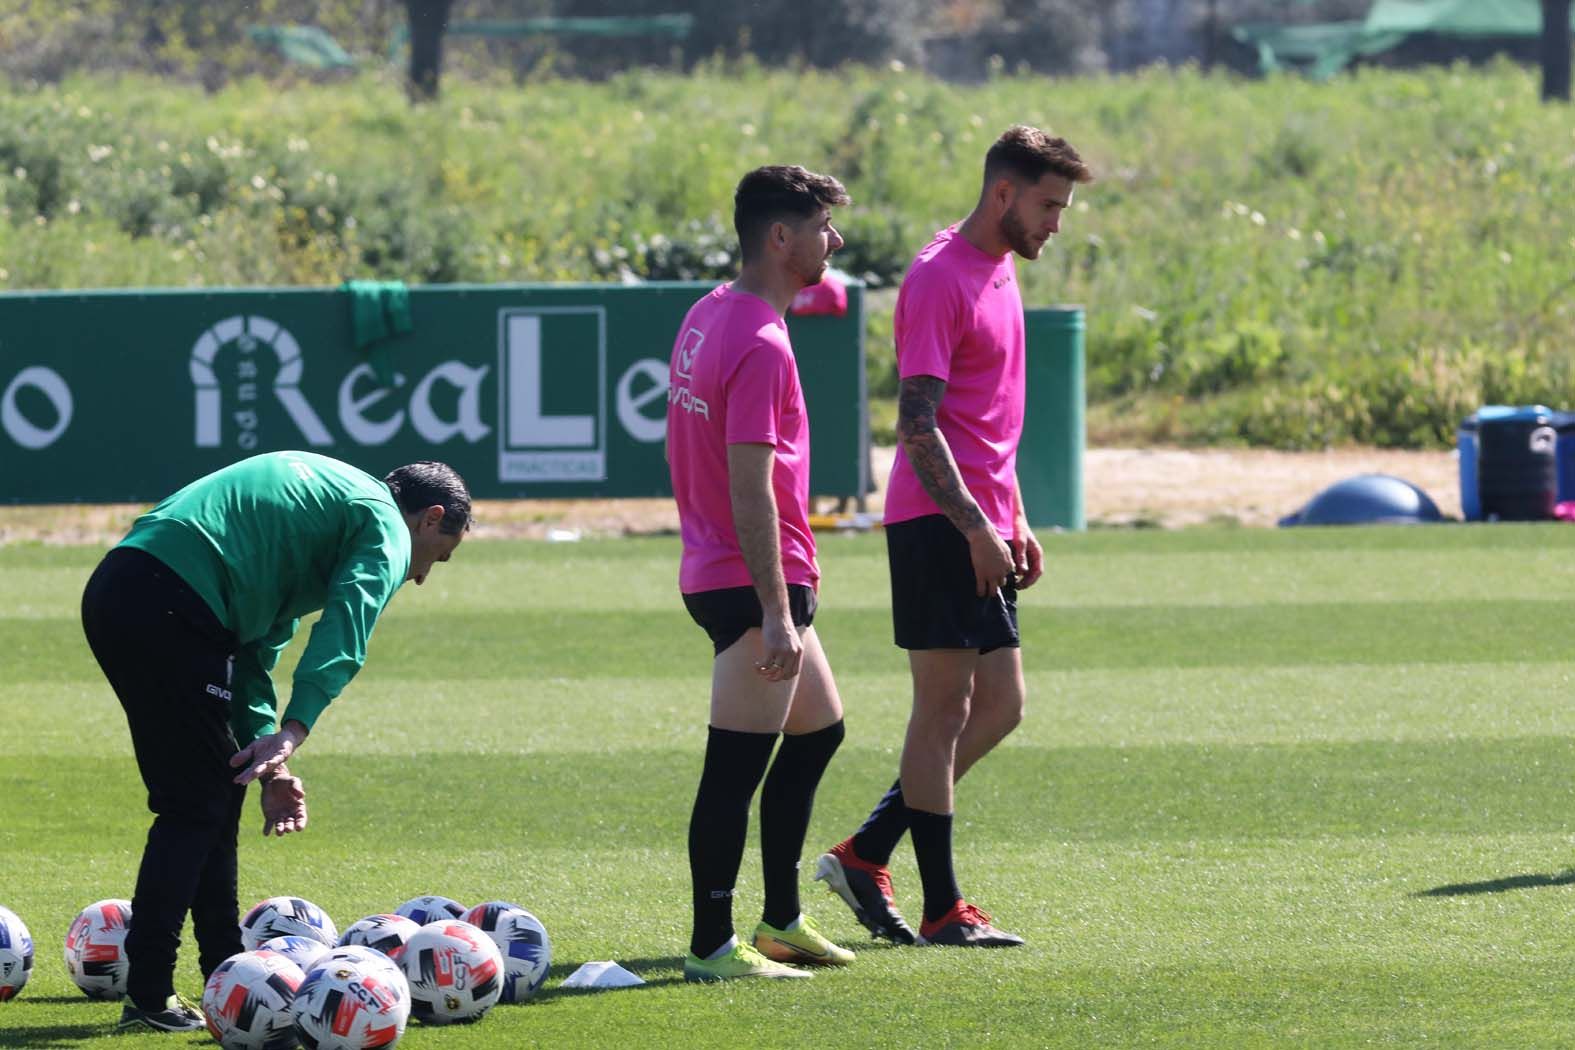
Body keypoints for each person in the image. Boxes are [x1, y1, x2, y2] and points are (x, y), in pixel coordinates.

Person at [815, 125, 1094, 948]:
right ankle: (941, 908)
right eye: (1047, 205)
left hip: (980, 520)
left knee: (1000, 705)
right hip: (938, 524)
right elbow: (918, 425)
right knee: (941, 711)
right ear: (1003, 193)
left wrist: (1013, 518)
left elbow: (987, 423)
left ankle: (866, 852)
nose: (1055, 223)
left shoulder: (1000, 267)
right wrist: (976, 525)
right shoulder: (940, 277)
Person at [80, 451, 470, 1032]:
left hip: (128, 588)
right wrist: (296, 727)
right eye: (439, 556)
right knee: (194, 806)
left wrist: (271, 761)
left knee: (216, 790)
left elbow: (253, 658)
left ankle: (225, 974)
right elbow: (347, 628)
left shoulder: (326, 516)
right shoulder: (383, 521)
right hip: (172, 601)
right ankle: (150, 996)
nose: (421, 576)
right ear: (430, 517)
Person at [666, 165, 857, 982]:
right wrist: (778, 612)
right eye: (822, 228)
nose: (835, 241)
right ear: (780, 238)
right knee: (732, 770)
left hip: (732, 569)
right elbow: (750, 489)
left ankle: (780, 919)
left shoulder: (711, 312)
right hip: (752, 579)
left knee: (819, 730)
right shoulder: (762, 343)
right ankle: (712, 945)